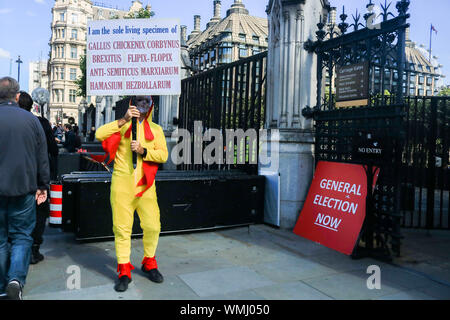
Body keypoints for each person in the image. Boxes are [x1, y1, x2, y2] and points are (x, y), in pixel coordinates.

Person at [95, 96, 168, 292]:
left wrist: (144, 151)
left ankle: (149, 262)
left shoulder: (157, 130)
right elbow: (100, 134)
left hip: (146, 186)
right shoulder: (122, 124)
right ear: (131, 104)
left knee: (153, 226)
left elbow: (163, 155)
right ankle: (124, 270)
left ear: (151, 105)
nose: (142, 105)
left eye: (146, 101)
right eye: (138, 101)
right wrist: (124, 119)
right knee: (122, 229)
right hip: (122, 185)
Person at [0, 77, 50, 300]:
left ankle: (3, 284)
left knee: (0, 238)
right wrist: (43, 185)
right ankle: (15, 279)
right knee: (21, 236)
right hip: (25, 188)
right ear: (17, 96)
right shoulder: (31, 120)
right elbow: (43, 157)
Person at [17, 91, 59, 264]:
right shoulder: (41, 122)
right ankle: (34, 248)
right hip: (37, 175)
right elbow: (52, 150)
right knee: (39, 211)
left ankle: (20, 248)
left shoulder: (13, 122)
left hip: (17, 176)